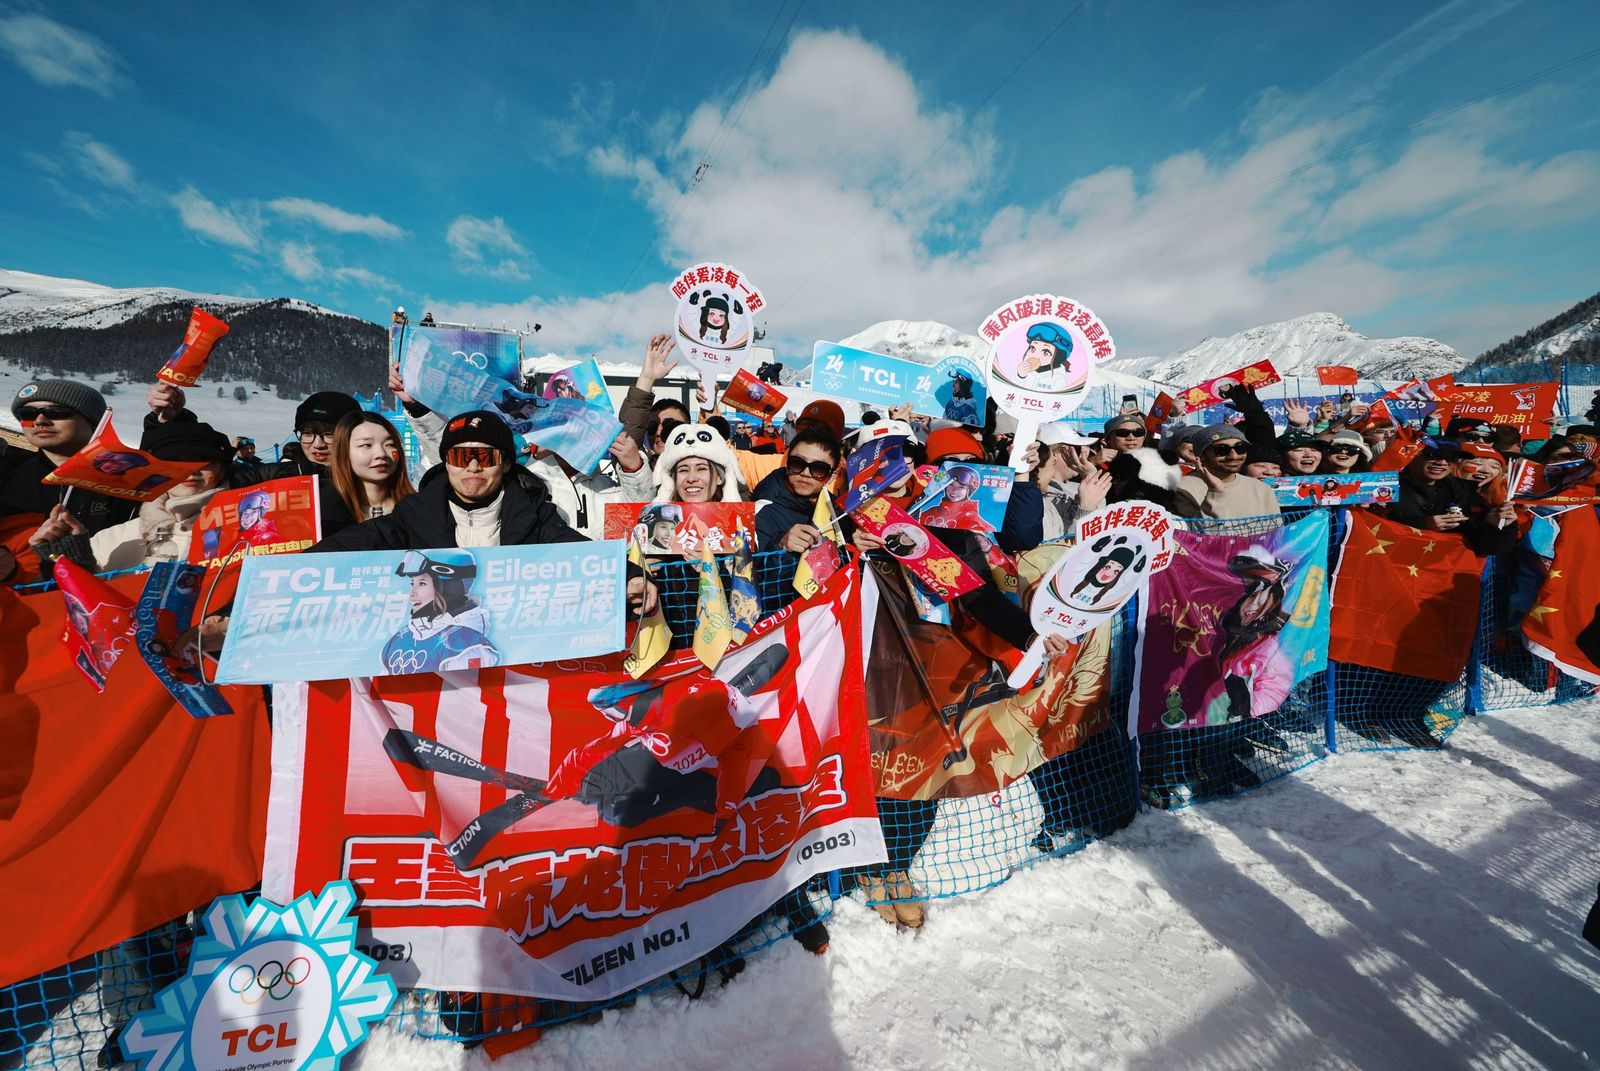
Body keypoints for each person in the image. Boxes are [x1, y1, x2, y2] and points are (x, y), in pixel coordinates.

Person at [29, 422, 235, 572]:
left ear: (223, 469)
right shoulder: (115, 538)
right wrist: (69, 562)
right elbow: (83, 608)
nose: (191, 471)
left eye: (203, 460)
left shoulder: (250, 528)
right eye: (175, 461)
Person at [2, 379, 138, 534]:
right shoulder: (6, 472)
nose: (40, 421)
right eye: (27, 414)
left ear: (93, 421)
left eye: (56, 412)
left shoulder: (130, 482)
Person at [1387, 440, 1516, 555]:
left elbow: (1489, 548)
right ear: (1412, 456)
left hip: (1440, 573)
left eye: (1451, 459)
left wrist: (1496, 525)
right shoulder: (1385, 484)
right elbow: (1371, 529)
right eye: (1431, 455)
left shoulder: (1463, 491)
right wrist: (1422, 524)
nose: (1442, 463)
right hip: (1391, 568)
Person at [381, 549, 500, 674]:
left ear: (449, 588)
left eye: (422, 583)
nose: (412, 594)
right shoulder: (399, 640)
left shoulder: (464, 646)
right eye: (413, 584)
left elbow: (464, 692)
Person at [752, 428, 842, 553]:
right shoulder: (761, 510)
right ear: (787, 464)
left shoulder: (840, 512)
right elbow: (750, 568)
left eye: (818, 468)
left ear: (832, 476)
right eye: (797, 463)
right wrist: (780, 545)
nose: (805, 473)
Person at [325, 411, 416, 530]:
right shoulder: (326, 514)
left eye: (389, 444)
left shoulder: (417, 509)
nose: (381, 454)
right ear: (343, 452)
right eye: (367, 445)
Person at [1172, 426, 1281, 520]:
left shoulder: (1261, 489)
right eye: (1222, 450)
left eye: (1240, 448)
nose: (1233, 456)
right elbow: (1194, 536)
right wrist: (1215, 492)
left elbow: (1275, 536)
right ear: (1202, 456)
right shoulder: (1181, 489)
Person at [273, 391, 363, 479]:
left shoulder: (368, 482)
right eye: (308, 434)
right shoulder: (283, 477)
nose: (318, 445)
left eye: (329, 434)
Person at [652, 424, 745, 503]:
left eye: (701, 469)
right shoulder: (659, 522)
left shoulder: (745, 521)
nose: (691, 479)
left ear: (720, 478)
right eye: (683, 470)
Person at [1013, 322, 1074, 391]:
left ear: (1059, 356)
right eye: (1032, 348)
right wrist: (1020, 377)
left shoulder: (1058, 379)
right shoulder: (1026, 371)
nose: (1035, 356)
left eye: (1046, 352)